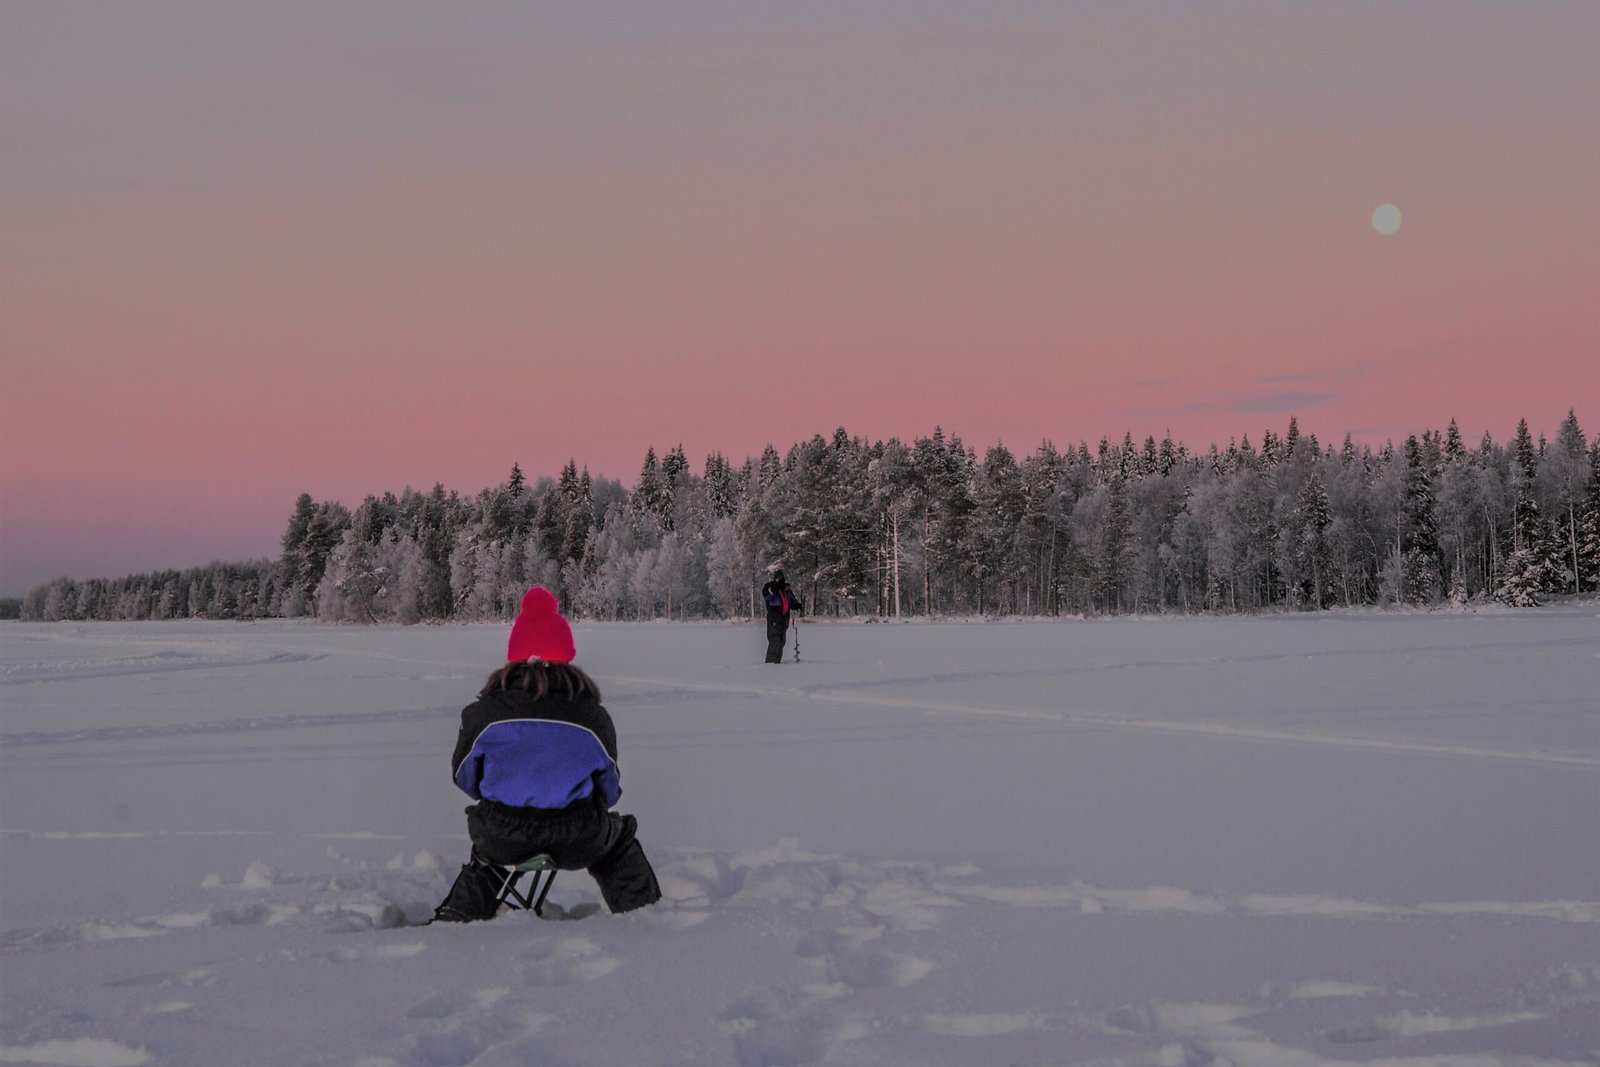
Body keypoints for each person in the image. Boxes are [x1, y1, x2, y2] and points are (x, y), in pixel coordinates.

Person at [432, 586, 661, 921]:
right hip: (579, 835)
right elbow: (609, 787)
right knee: (618, 840)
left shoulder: (483, 715)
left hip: (501, 834)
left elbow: (465, 777)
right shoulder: (591, 717)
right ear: (565, 654)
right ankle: (644, 917)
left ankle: (456, 920)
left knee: (487, 856)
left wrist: (508, 794)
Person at [761, 569, 803, 664]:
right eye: (777, 579)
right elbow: (767, 596)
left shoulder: (786, 589)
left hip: (784, 618)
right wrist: (775, 588)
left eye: (781, 578)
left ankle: (777, 663)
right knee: (774, 640)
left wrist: (796, 605)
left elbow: (791, 601)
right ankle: (770, 664)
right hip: (774, 617)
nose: (779, 580)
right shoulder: (769, 587)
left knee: (782, 641)